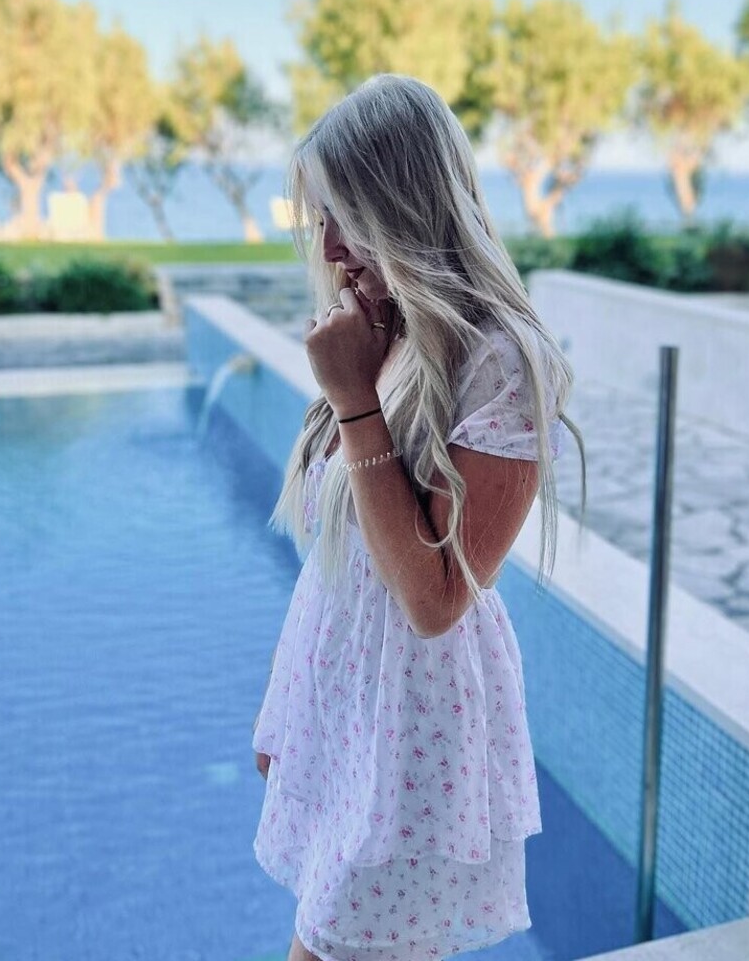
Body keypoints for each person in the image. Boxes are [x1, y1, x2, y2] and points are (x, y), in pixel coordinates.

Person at [251, 74, 584, 961]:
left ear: (403, 202)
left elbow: (435, 600)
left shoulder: (500, 360)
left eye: (345, 216)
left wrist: (354, 401)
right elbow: (342, 564)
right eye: (320, 217)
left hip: (413, 730)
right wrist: (288, 707)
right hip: (350, 712)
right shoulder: (384, 328)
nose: (329, 246)